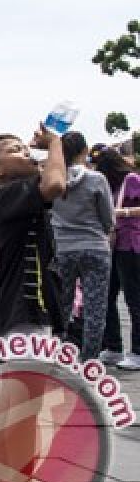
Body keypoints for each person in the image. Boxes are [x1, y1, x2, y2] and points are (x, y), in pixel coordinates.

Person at [0, 125, 76, 482]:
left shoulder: (13, 194)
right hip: (23, 311)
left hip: (22, 310)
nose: (24, 152)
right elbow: (55, 184)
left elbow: (58, 182)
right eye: (15, 150)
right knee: (25, 410)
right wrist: (54, 144)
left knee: (16, 407)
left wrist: (50, 150)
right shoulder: (11, 192)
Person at [48, 131, 115, 361]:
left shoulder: (52, 180)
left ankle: (58, 354)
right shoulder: (97, 179)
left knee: (62, 305)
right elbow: (108, 219)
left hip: (63, 248)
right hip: (95, 247)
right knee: (95, 307)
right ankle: (90, 359)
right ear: (85, 151)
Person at [94, 147, 140, 369]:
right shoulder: (111, 186)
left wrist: (125, 213)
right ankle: (113, 346)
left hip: (131, 244)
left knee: (134, 299)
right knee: (107, 296)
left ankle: (138, 350)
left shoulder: (131, 180)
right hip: (113, 245)